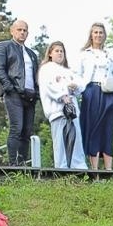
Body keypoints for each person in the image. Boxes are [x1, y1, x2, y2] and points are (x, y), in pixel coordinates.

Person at [0, 20, 40, 166]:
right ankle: (13, 165)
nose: (22, 32)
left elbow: (36, 75)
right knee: (16, 128)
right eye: (19, 29)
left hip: (30, 96)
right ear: (12, 31)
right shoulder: (4, 46)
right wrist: (9, 87)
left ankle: (23, 164)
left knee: (27, 132)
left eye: (25, 30)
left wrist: (37, 94)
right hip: (14, 94)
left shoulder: (32, 54)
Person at [75, 23, 113, 171]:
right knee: (93, 128)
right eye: (95, 32)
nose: (98, 35)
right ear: (91, 35)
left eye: (101, 32)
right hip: (91, 91)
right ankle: (94, 169)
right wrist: (81, 92)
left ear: (104, 35)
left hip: (108, 92)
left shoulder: (111, 54)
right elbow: (78, 75)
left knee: (107, 128)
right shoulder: (84, 54)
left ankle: (108, 169)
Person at [38, 41, 86, 171]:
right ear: (50, 53)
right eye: (57, 51)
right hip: (57, 111)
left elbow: (80, 84)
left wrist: (75, 87)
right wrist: (62, 95)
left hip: (72, 111)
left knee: (76, 140)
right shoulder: (46, 69)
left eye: (61, 51)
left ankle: (79, 167)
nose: (60, 53)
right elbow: (49, 87)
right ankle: (61, 168)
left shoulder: (68, 71)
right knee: (60, 143)